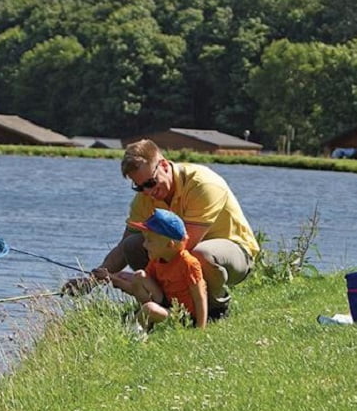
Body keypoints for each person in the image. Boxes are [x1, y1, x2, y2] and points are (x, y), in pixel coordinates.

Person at [92, 139, 259, 319]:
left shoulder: (203, 185)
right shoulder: (145, 198)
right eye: (139, 187)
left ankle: (215, 310)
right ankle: (165, 308)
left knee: (199, 255)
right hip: (185, 252)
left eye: (150, 183)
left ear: (164, 165)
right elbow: (123, 247)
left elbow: (182, 245)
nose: (147, 192)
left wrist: (142, 279)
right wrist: (95, 278)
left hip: (234, 254)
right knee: (133, 245)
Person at [113, 208, 208, 329]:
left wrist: (201, 327)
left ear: (170, 245)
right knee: (139, 275)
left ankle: (131, 333)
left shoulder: (189, 264)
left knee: (149, 308)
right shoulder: (156, 261)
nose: (144, 245)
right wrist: (114, 279)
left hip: (184, 316)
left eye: (150, 241)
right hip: (167, 304)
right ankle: (148, 320)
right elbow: (138, 288)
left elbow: (200, 297)